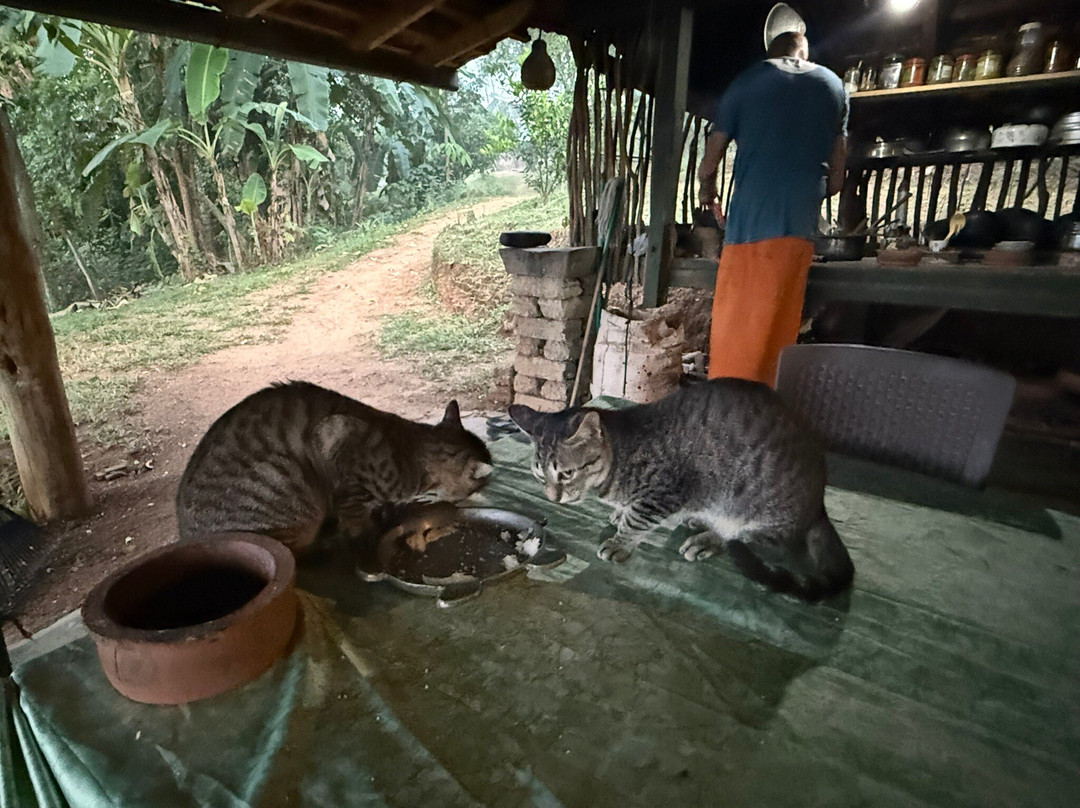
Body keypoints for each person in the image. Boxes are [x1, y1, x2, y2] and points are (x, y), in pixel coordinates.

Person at [697, 30, 848, 385]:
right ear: (804, 52)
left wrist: (709, 193)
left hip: (747, 231)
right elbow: (838, 179)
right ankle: (761, 420)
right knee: (776, 340)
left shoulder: (744, 84)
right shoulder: (834, 88)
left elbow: (708, 166)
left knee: (735, 341)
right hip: (797, 236)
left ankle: (727, 421)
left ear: (770, 52)